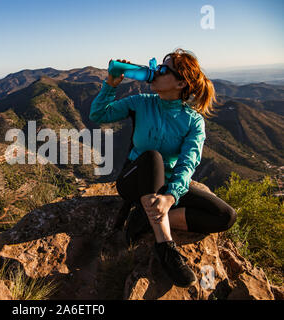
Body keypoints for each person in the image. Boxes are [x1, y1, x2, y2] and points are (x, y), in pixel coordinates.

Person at [89, 48, 237, 288]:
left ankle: (146, 220)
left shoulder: (193, 120)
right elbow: (98, 114)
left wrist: (171, 196)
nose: (156, 72)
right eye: (157, 67)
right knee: (152, 157)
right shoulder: (141, 102)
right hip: (134, 179)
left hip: (166, 185)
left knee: (225, 216)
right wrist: (111, 83)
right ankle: (165, 245)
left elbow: (188, 161)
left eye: (164, 69)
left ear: (181, 82)